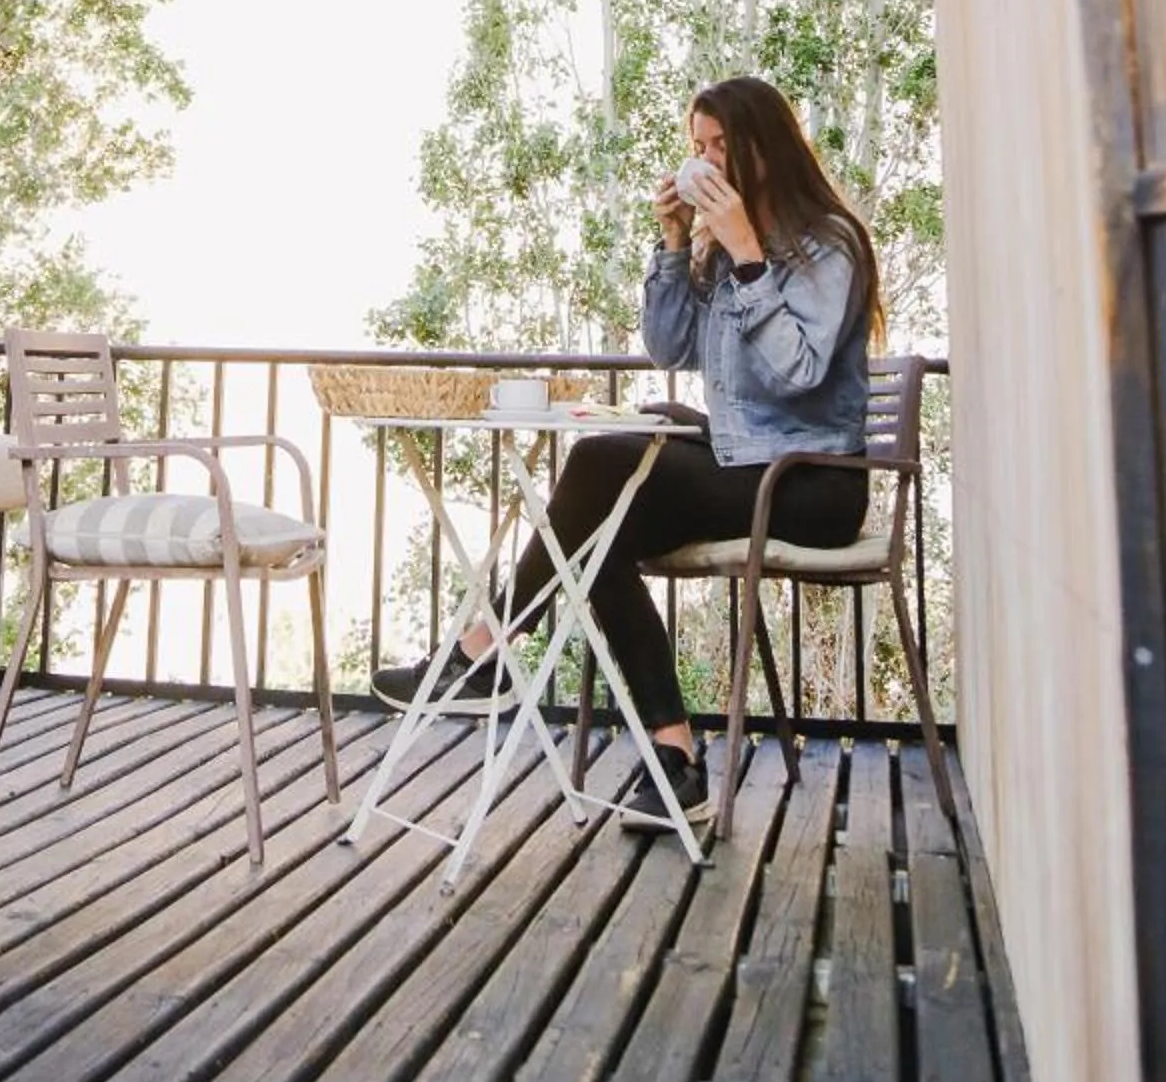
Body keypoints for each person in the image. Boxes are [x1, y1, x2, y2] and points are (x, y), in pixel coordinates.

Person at [373, 75, 881, 832]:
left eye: (720, 146)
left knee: (599, 470)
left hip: (811, 486)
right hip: (747, 464)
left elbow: (798, 373)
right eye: (697, 147)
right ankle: (675, 760)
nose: (706, 160)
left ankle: (483, 648)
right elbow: (667, 348)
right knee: (596, 532)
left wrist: (746, 255)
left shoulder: (826, 246)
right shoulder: (729, 245)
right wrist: (676, 246)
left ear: (764, 149)